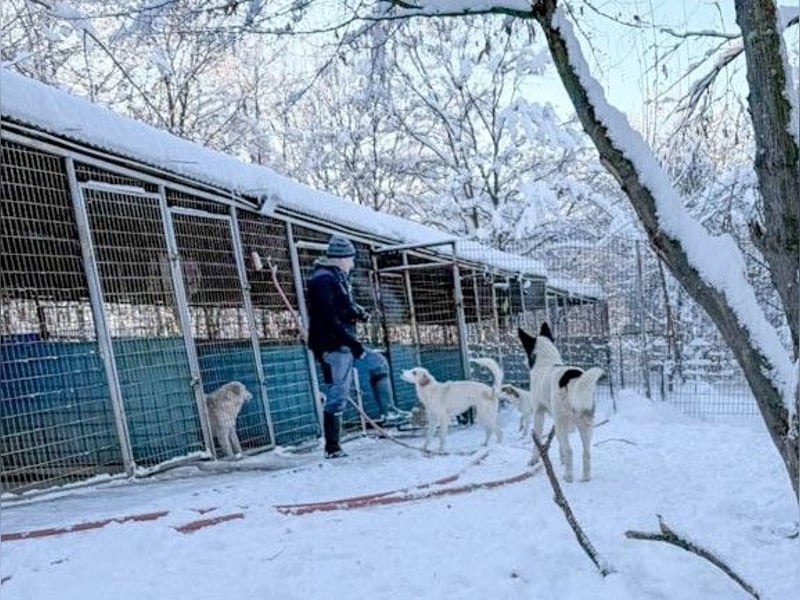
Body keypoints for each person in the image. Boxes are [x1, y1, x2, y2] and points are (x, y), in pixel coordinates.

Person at [306, 235, 408, 458]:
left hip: (343, 342)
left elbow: (342, 307)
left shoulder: (337, 277)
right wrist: (355, 346)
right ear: (341, 258)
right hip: (333, 346)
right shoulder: (323, 280)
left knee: (378, 362)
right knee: (338, 394)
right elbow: (328, 318)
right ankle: (332, 447)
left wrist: (357, 312)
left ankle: (388, 411)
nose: (352, 264)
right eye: (351, 259)